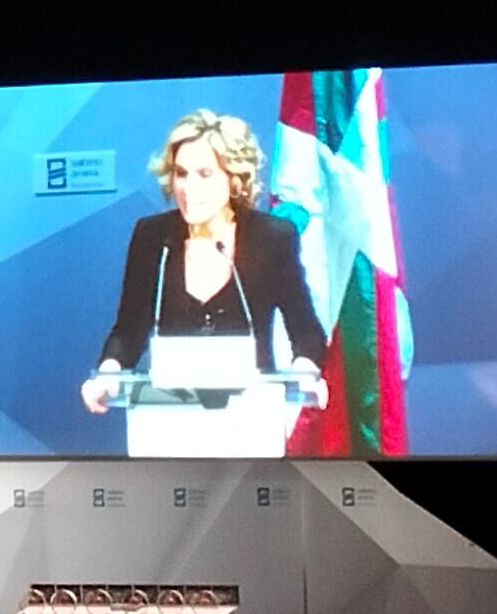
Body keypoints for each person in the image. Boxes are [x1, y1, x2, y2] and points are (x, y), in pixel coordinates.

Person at [79, 110, 332, 426]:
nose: (188, 188)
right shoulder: (153, 237)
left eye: (204, 173)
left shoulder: (271, 237)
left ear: (233, 178)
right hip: (168, 418)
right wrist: (109, 372)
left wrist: (305, 372)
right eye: (181, 173)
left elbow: (305, 329)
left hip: (250, 415)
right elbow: (128, 330)